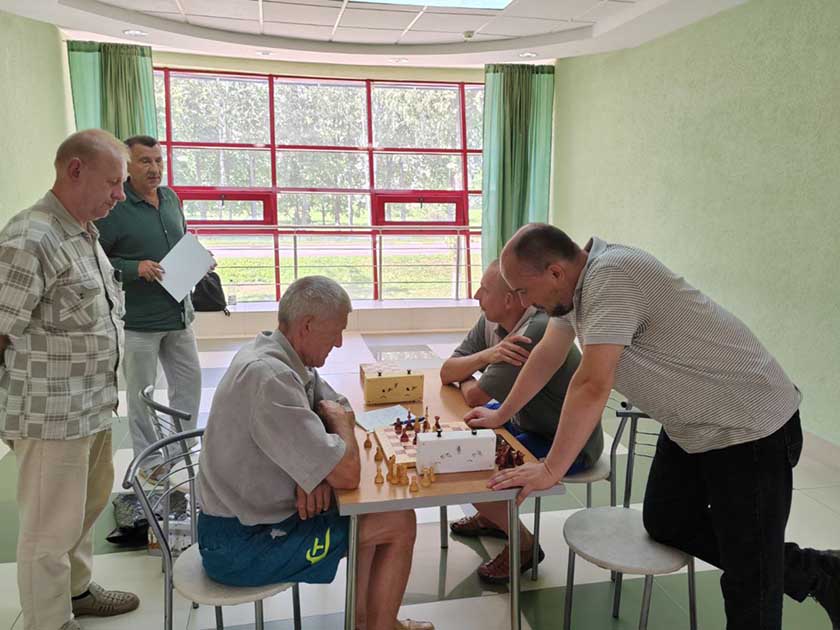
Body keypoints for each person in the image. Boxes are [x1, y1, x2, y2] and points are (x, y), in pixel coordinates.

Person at [468, 223, 840, 630]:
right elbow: (548, 355)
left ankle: (808, 573)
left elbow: (592, 384)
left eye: (523, 290)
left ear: (555, 272)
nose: (524, 302)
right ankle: (818, 571)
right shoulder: (572, 292)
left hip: (748, 426)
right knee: (667, 521)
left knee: (750, 581)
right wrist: (502, 414)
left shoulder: (612, 275)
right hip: (691, 425)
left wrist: (550, 468)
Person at [196, 276, 433, 630]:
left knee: (373, 512)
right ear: (307, 325)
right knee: (398, 522)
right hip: (241, 545)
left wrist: (313, 473)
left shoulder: (286, 357)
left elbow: (338, 403)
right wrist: (332, 448)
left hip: (258, 521)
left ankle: (368, 623)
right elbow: (347, 470)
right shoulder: (270, 377)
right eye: (336, 331)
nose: (339, 342)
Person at [0, 129, 140, 630]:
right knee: (48, 529)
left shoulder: (83, 233)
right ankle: (48, 621)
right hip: (51, 416)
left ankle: (77, 591)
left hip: (92, 407)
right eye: (113, 183)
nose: (120, 195)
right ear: (74, 170)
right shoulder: (31, 238)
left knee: (84, 509)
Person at [439, 259, 603, 583]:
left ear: (509, 300)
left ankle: (524, 545)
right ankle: (494, 517)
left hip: (566, 445)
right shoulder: (490, 321)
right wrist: (486, 356)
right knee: (465, 438)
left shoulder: (534, 331)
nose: (476, 295)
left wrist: (468, 375)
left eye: (484, 290)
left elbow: (474, 395)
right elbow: (447, 371)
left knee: (472, 465)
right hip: (527, 425)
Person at [95, 135, 202, 480]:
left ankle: (180, 451)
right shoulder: (115, 207)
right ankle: (150, 460)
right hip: (138, 321)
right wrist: (133, 268)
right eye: (145, 161)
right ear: (127, 166)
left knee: (189, 385)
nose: (154, 168)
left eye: (158, 160)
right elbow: (95, 260)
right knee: (142, 395)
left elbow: (182, 239)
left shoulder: (170, 198)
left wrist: (198, 258)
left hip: (179, 314)